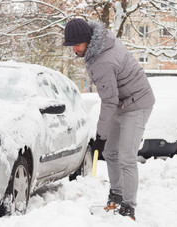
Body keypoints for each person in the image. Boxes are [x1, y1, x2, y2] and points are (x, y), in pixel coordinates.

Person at [63, 18, 155, 221]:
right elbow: (111, 99)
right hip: (122, 101)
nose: (74, 50)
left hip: (137, 103)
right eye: (71, 45)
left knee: (126, 156)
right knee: (110, 152)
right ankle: (117, 195)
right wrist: (103, 139)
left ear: (87, 40)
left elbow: (108, 101)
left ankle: (129, 207)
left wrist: (100, 135)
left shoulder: (103, 60)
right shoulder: (99, 47)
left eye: (77, 44)